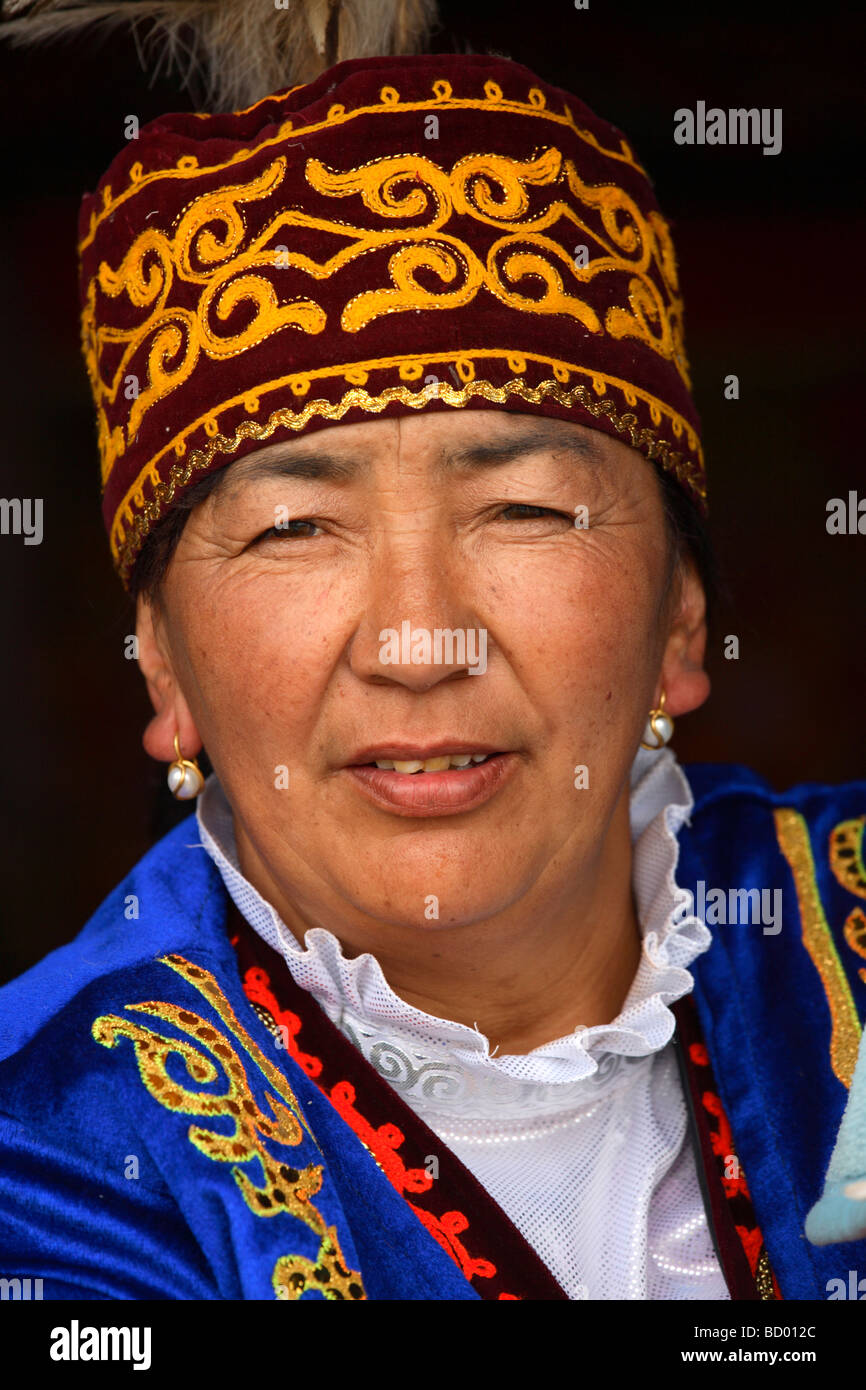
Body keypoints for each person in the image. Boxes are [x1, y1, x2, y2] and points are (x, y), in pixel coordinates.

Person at [1, 0, 864, 1302]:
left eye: (520, 509)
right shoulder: (48, 1150)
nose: (418, 638)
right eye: (294, 526)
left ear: (682, 618)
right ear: (163, 670)